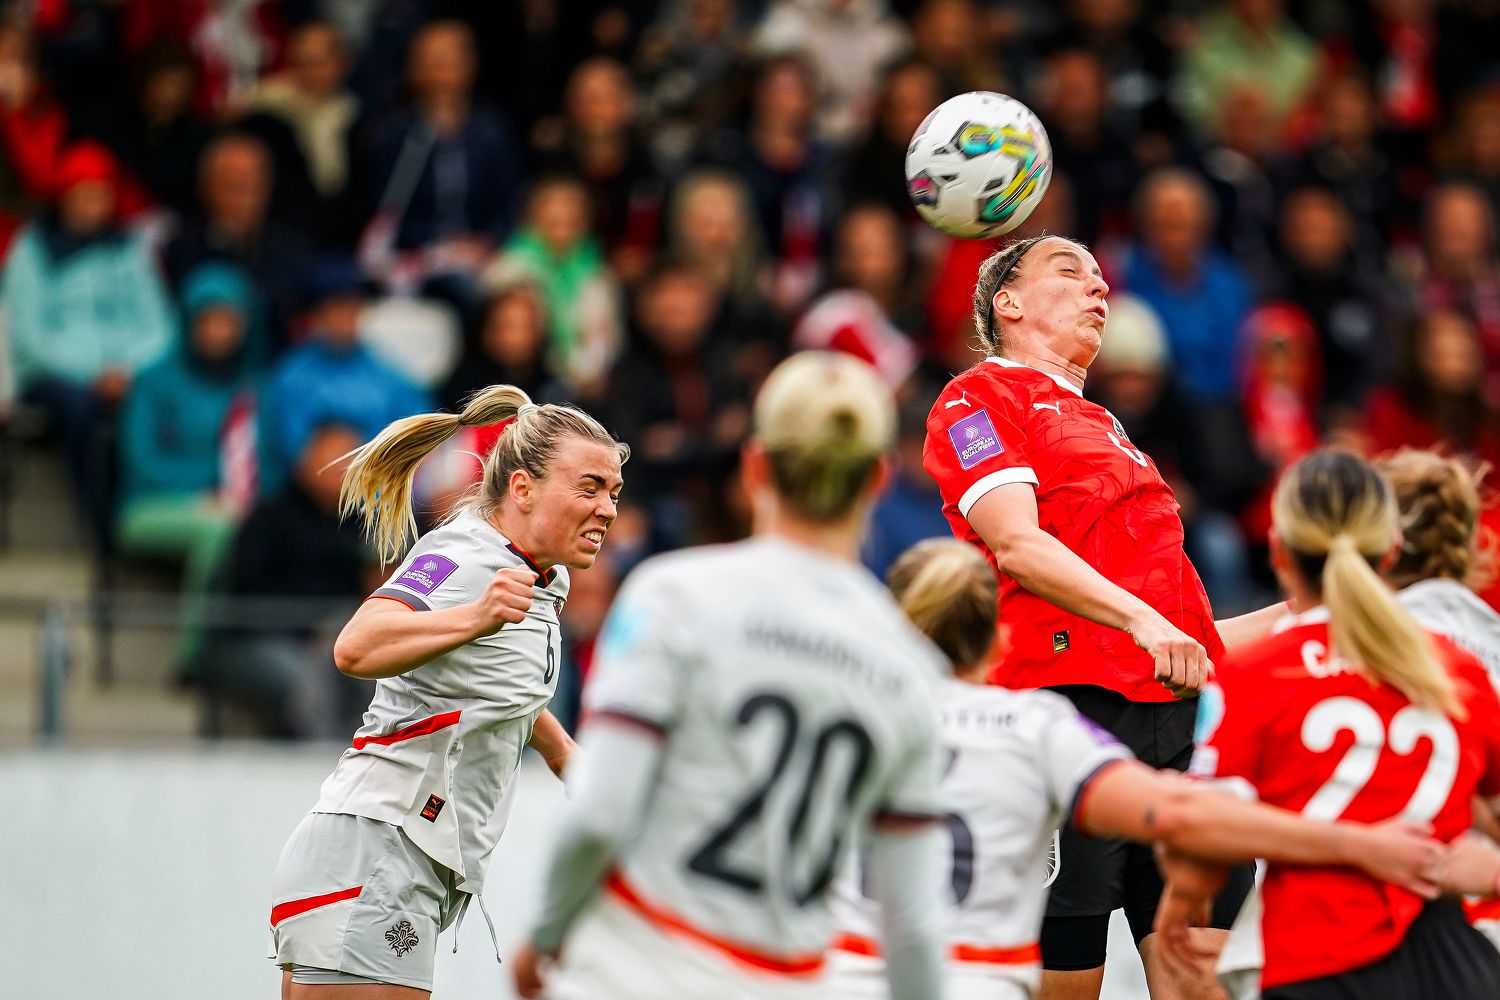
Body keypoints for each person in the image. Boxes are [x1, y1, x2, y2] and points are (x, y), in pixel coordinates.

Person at [828, 538, 1450, 1000]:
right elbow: (1182, 813)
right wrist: (1356, 842)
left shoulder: (847, 732)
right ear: (1000, 645)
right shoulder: (1035, 729)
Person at [512, 352, 952, 1000]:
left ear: (755, 467)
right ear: (878, 480)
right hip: (784, 981)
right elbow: (912, 924)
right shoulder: (913, 667)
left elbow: (600, 814)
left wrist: (545, 936)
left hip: (632, 969)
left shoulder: (672, 594)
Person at [922, 234, 1282, 1000]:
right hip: (1065, 717)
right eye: (1068, 272)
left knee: (1201, 978)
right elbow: (1017, 544)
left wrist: (1326, 612)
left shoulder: (1107, 426)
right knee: (1068, 982)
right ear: (1007, 303)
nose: (1098, 289)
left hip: (1179, 729)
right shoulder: (978, 397)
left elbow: (1194, 639)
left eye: (1099, 277)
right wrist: (1143, 625)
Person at [268, 385, 628, 994]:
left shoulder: (544, 576)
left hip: (405, 860)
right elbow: (356, 646)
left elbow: (489, 681)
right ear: (521, 488)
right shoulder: (464, 555)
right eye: (588, 487)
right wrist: (476, 616)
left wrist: (565, 755)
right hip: (378, 846)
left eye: (614, 492)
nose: (609, 509)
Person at [1163, 449, 1500, 1000]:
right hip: (1454, 959)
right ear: (1389, 550)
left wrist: (1183, 909)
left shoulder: (1259, 670)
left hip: (1314, 953)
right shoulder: (1454, 666)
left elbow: (1204, 830)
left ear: (1278, 552)